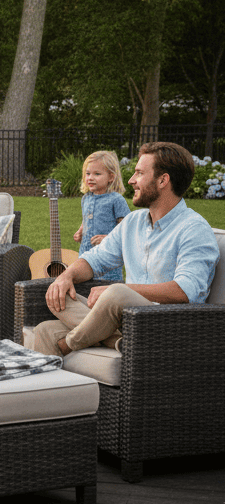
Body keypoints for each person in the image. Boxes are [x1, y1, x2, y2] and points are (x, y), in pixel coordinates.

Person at [28, 142, 219, 358]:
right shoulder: (132, 222)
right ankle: (118, 341)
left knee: (117, 292)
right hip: (124, 319)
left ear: (163, 180)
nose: (131, 180)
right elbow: (95, 259)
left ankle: (74, 342)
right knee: (53, 306)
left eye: (139, 173)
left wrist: (119, 293)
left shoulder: (194, 229)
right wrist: (66, 276)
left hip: (165, 323)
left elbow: (185, 291)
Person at [72, 150, 130, 283]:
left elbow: (126, 226)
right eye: (88, 173)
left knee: (106, 286)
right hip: (86, 252)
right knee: (85, 284)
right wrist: (80, 231)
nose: (90, 178)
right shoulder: (86, 198)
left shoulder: (116, 199)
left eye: (97, 174)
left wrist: (108, 238)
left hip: (107, 256)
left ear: (111, 177)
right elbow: (86, 219)